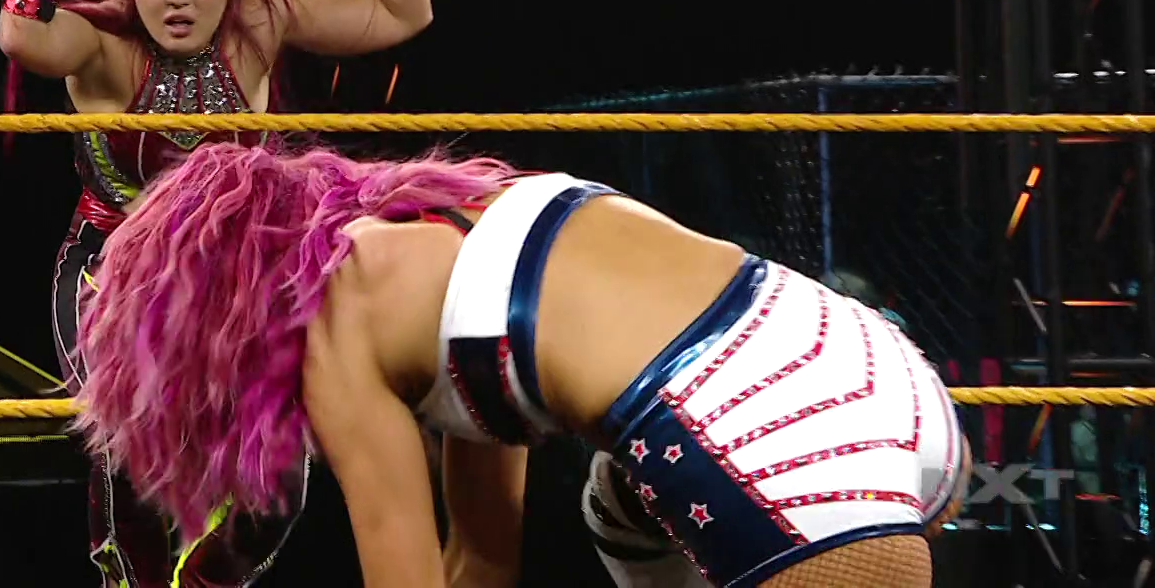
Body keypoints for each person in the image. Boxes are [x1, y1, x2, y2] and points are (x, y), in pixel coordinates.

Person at [72, 143, 970, 588]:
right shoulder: (455, 233)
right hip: (874, 368)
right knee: (615, 506)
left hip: (767, 439)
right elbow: (483, 560)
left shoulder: (331, 326)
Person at [0, 0, 435, 587]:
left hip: (235, 270)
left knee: (279, 459)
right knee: (126, 443)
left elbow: (401, 12)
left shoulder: (259, 19)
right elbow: (22, 33)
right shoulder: (102, 42)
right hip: (110, 271)